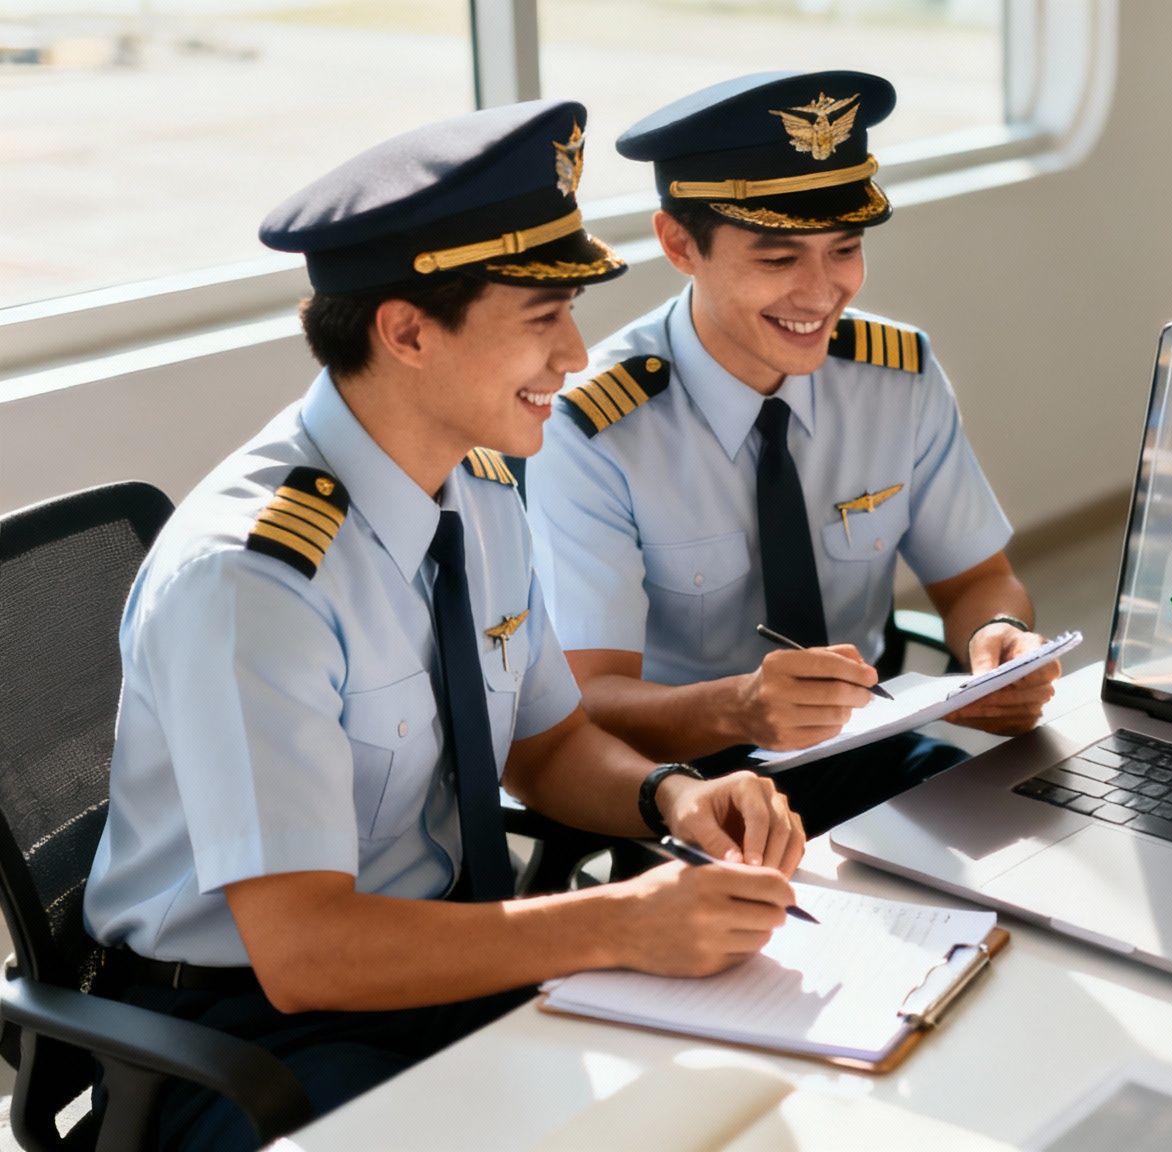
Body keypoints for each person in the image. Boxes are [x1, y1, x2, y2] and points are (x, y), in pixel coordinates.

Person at [82, 100, 806, 1152]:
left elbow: (545, 744)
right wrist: (614, 923)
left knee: (744, 1100)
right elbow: (305, 952)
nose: (575, 353)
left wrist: (673, 796)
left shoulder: (478, 488)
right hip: (249, 1032)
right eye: (541, 317)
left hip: (444, 962)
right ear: (407, 332)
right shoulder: (253, 581)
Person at [525, 71, 1059, 833]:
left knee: (1026, 834)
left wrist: (993, 639)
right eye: (778, 261)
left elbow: (978, 578)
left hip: (867, 741)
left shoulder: (897, 377)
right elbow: (588, 697)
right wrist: (740, 708)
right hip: (685, 779)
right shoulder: (593, 428)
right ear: (679, 244)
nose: (820, 293)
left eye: (844, 249)